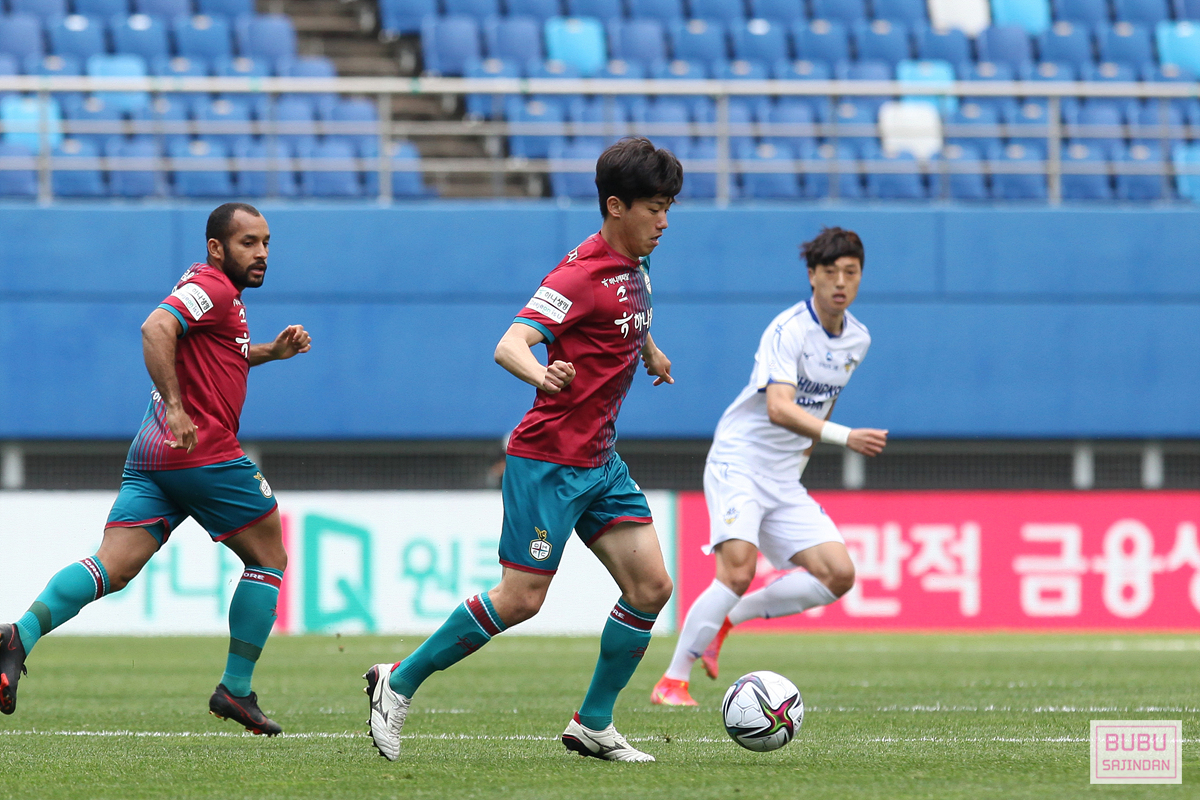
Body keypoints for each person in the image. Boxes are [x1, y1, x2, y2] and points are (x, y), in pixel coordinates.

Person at [365, 137, 681, 762]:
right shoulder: (578, 275)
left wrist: (649, 351)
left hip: (600, 463)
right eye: (654, 209)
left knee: (651, 588)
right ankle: (396, 682)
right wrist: (543, 375)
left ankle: (593, 723)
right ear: (615, 207)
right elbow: (509, 344)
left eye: (668, 208)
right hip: (549, 462)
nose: (664, 221)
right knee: (521, 599)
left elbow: (627, 317)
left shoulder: (638, 264)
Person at [0, 203, 312, 735]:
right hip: (201, 449)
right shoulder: (213, 287)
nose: (261, 253)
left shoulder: (212, 291)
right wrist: (176, 405)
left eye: (265, 243)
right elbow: (156, 327)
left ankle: (17, 637)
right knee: (269, 557)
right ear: (216, 247)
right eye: (248, 243)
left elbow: (213, 353)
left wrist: (268, 352)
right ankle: (235, 690)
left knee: (112, 566)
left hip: (154, 454)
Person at [650, 227, 887, 706]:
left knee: (838, 574)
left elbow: (824, 402)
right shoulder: (788, 330)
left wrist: (801, 461)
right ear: (812, 276)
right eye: (831, 272)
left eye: (851, 272)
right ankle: (672, 681)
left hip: (782, 476)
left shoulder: (858, 339)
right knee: (737, 571)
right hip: (739, 461)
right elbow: (779, 407)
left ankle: (727, 621)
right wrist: (845, 438)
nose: (841, 282)